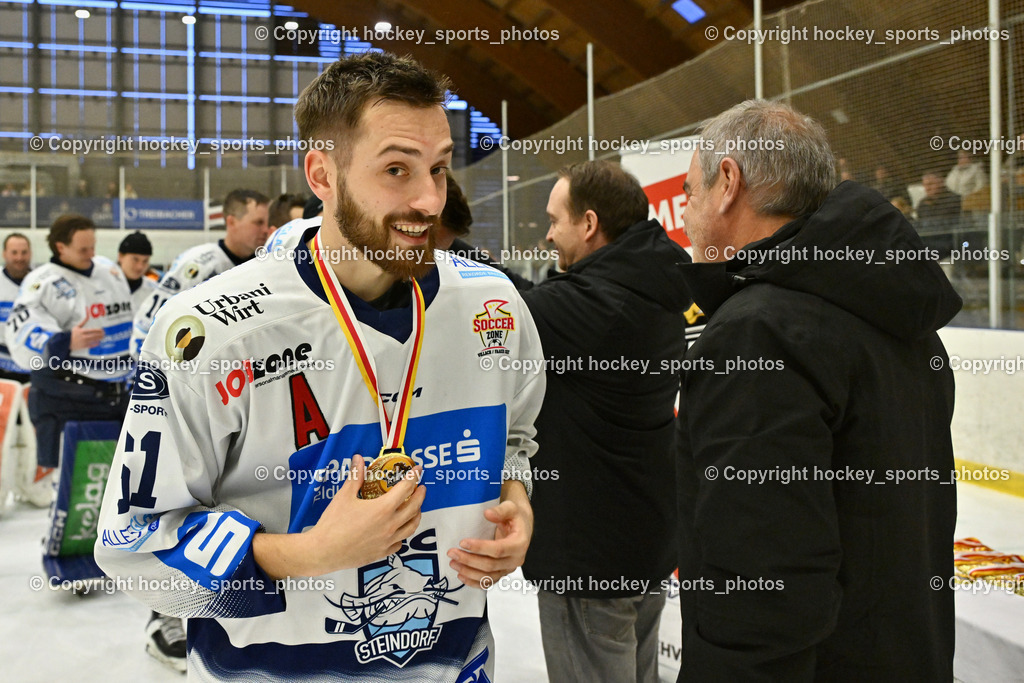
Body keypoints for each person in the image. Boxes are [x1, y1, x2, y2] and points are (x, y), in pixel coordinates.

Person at [95, 51, 545, 681]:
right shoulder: (211, 332)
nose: (428, 200)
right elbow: (134, 545)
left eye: (439, 169)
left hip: (454, 661)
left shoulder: (493, 305)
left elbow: (516, 438)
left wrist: (515, 496)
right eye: (396, 168)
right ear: (323, 174)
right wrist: (307, 554)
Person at [675, 100, 960, 680]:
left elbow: (762, 585)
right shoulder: (905, 323)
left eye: (691, 192)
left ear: (728, 182)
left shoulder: (755, 334)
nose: (687, 213)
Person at [517, 160, 689, 683]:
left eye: (554, 220)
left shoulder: (599, 306)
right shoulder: (650, 287)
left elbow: (507, 307)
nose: (547, 235)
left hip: (591, 556)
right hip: (643, 535)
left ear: (589, 225)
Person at [4, 215, 134, 468]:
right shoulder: (42, 282)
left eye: (93, 246)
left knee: (114, 485)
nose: (91, 253)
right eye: (83, 249)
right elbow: (21, 330)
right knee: (73, 489)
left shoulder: (109, 270)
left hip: (116, 400)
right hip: (70, 401)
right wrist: (63, 341)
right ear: (61, 247)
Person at [130, 188, 270, 355]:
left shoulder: (264, 264)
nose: (266, 230)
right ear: (231, 222)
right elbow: (149, 320)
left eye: (267, 224)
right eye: (258, 223)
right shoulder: (199, 264)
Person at [0, 233, 33, 380]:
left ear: (30, 254)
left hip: (32, 367)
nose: (19, 258)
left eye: (24, 252)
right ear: (4, 254)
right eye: (14, 252)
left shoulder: (42, 282)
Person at [916, 170, 962, 257]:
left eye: (931, 184)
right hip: (927, 248)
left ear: (941, 183)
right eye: (925, 185)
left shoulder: (954, 200)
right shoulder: (923, 204)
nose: (927, 188)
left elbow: (950, 226)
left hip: (947, 248)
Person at [116, 231, 160, 314]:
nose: (140, 266)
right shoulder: (103, 287)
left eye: (145, 261)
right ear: (120, 256)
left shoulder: (155, 292)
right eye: (135, 259)